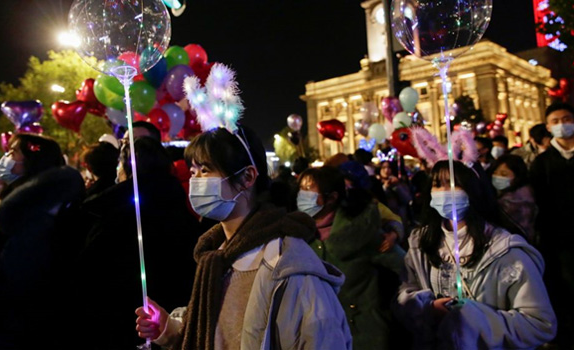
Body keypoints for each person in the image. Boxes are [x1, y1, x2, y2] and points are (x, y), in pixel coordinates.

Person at [135, 126, 351, 350]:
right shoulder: (216, 255)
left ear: (248, 177)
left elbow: (320, 339)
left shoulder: (287, 264)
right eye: (192, 172)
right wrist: (169, 329)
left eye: (205, 170)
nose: (195, 181)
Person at [395, 160, 556, 349]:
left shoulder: (506, 251)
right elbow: (404, 294)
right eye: (438, 184)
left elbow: (539, 325)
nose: (445, 191)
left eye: (455, 184)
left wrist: (474, 319)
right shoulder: (420, 243)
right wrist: (428, 309)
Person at [72, 137, 200, 349]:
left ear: (126, 167)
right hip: (170, 326)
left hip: (123, 324)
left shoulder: (117, 211)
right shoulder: (179, 209)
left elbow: (89, 272)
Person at [0, 134, 86, 349]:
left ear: (32, 159)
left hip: (22, 317)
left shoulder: (34, 208)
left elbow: (23, 269)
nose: (6, 158)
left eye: (13, 152)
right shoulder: (23, 199)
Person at [297, 164, 405, 349]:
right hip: (320, 336)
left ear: (332, 197)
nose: (302, 196)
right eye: (301, 190)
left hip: (365, 335)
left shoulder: (360, 230)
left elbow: (405, 267)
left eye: (309, 190)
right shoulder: (298, 235)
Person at [530, 102, 574, 348]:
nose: (562, 125)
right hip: (557, 239)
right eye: (555, 121)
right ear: (548, 126)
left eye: (566, 119)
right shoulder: (542, 163)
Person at [489, 155, 537, 242]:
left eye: (504, 174)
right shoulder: (500, 195)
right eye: (495, 172)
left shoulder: (518, 201)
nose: (497, 176)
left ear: (517, 175)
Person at [378, 160, 412, 228]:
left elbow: (407, 199)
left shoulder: (399, 183)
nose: (386, 170)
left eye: (389, 167)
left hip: (400, 216)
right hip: (385, 218)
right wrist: (385, 188)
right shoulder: (377, 184)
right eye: (383, 167)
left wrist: (397, 186)